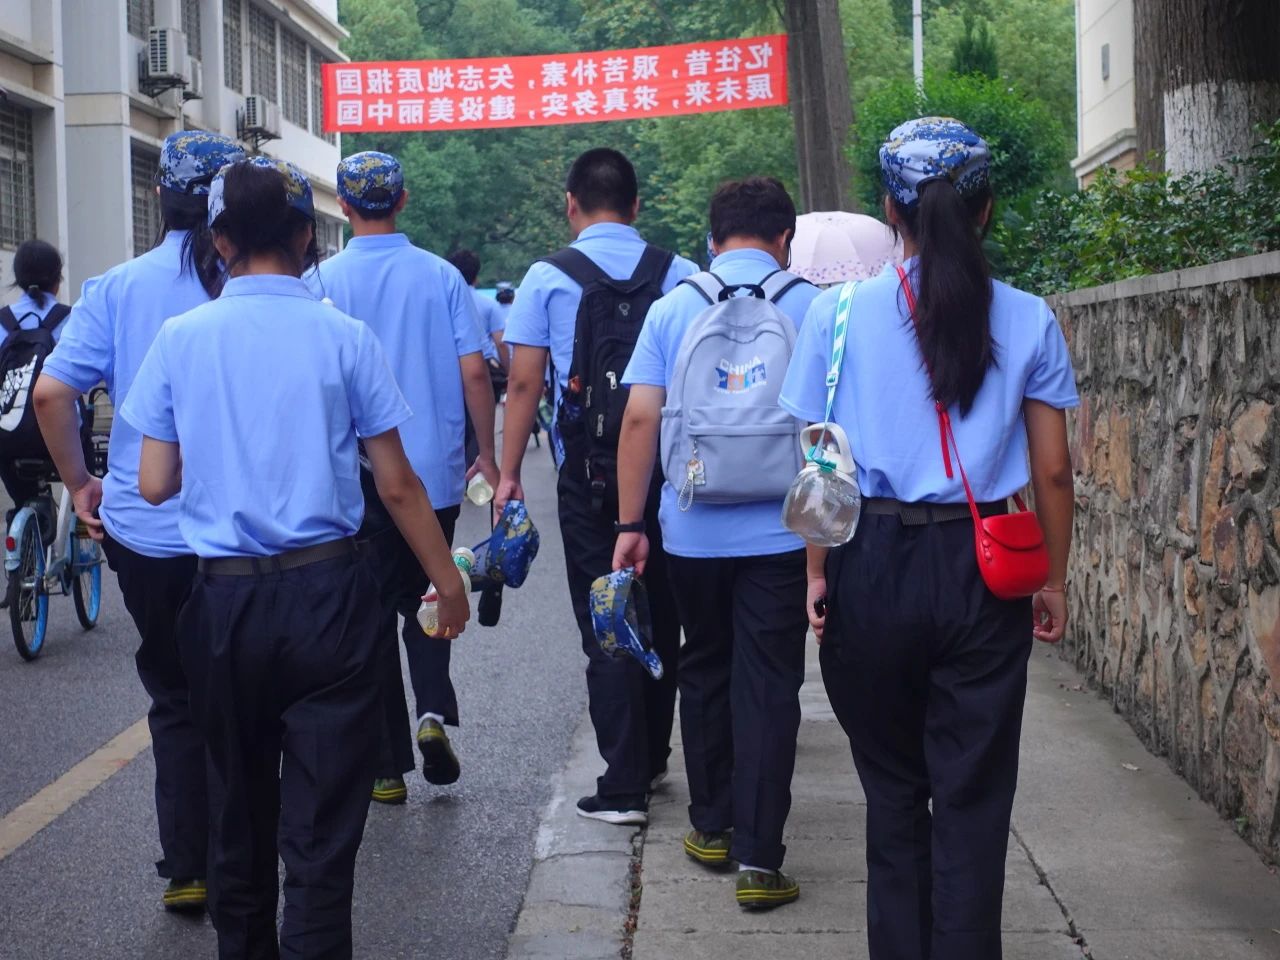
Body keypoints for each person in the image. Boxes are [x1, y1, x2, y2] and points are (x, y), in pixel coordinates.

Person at [121, 156, 468, 958]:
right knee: (321, 833)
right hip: (329, 595)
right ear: (307, 236)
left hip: (223, 603)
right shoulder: (343, 336)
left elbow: (155, 481)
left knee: (237, 810)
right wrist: (445, 582)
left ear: (219, 241)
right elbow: (398, 485)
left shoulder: (181, 338)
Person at [778, 117, 1077, 959]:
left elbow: (821, 463)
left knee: (894, 792)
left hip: (869, 563)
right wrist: (1054, 578)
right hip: (983, 570)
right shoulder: (1028, 318)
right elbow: (1054, 472)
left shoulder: (835, 315)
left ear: (890, 209)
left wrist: (816, 575)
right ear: (985, 210)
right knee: (973, 796)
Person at [33, 130, 246, 913]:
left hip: (146, 531)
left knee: (175, 696)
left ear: (159, 196)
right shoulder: (259, 286)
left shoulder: (117, 288)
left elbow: (52, 394)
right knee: (243, 697)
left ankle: (188, 867)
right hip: (246, 535)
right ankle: (242, 865)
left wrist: (82, 484)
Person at [613, 177, 820, 909]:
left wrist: (630, 525)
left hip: (691, 527)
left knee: (702, 664)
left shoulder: (674, 307)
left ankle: (710, 827)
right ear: (785, 238)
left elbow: (641, 420)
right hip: (783, 529)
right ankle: (760, 860)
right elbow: (833, 427)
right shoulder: (813, 306)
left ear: (712, 238)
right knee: (770, 682)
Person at [496, 148, 697, 825]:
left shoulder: (547, 276)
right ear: (636, 206)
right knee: (661, 613)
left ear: (571, 205)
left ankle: (623, 784)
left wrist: (509, 473)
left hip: (586, 479)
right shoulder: (679, 273)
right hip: (663, 477)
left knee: (604, 616)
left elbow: (525, 381)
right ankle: (654, 756)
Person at [314, 151, 496, 803]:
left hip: (355, 475)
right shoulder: (441, 276)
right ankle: (433, 713)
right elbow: (474, 371)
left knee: (366, 614)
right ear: (403, 200)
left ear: (342, 206)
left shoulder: (320, 279)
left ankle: (386, 765)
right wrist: (488, 453)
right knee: (430, 591)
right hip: (432, 472)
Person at [1, 240, 70, 521]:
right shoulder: (69, 320)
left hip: (8, 436)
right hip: (58, 437)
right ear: (57, 279)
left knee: (20, 492)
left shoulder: (2, 321)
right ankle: (85, 516)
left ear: (18, 280)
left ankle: (21, 516)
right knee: (86, 473)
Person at [448, 248, 508, 372]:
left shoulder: (444, 302)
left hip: (452, 365)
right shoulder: (489, 304)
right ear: (476, 277)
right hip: (483, 364)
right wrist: (508, 371)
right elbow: (500, 343)